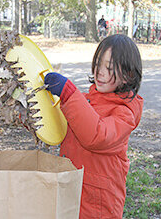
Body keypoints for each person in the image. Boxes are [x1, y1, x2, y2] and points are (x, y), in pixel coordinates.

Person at [43, 34, 143, 218]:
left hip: (99, 203)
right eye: (98, 64)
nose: (100, 72)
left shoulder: (124, 113)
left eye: (109, 68)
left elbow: (97, 135)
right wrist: (36, 114)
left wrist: (68, 93)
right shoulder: (86, 100)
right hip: (75, 191)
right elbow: (62, 126)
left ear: (128, 76)